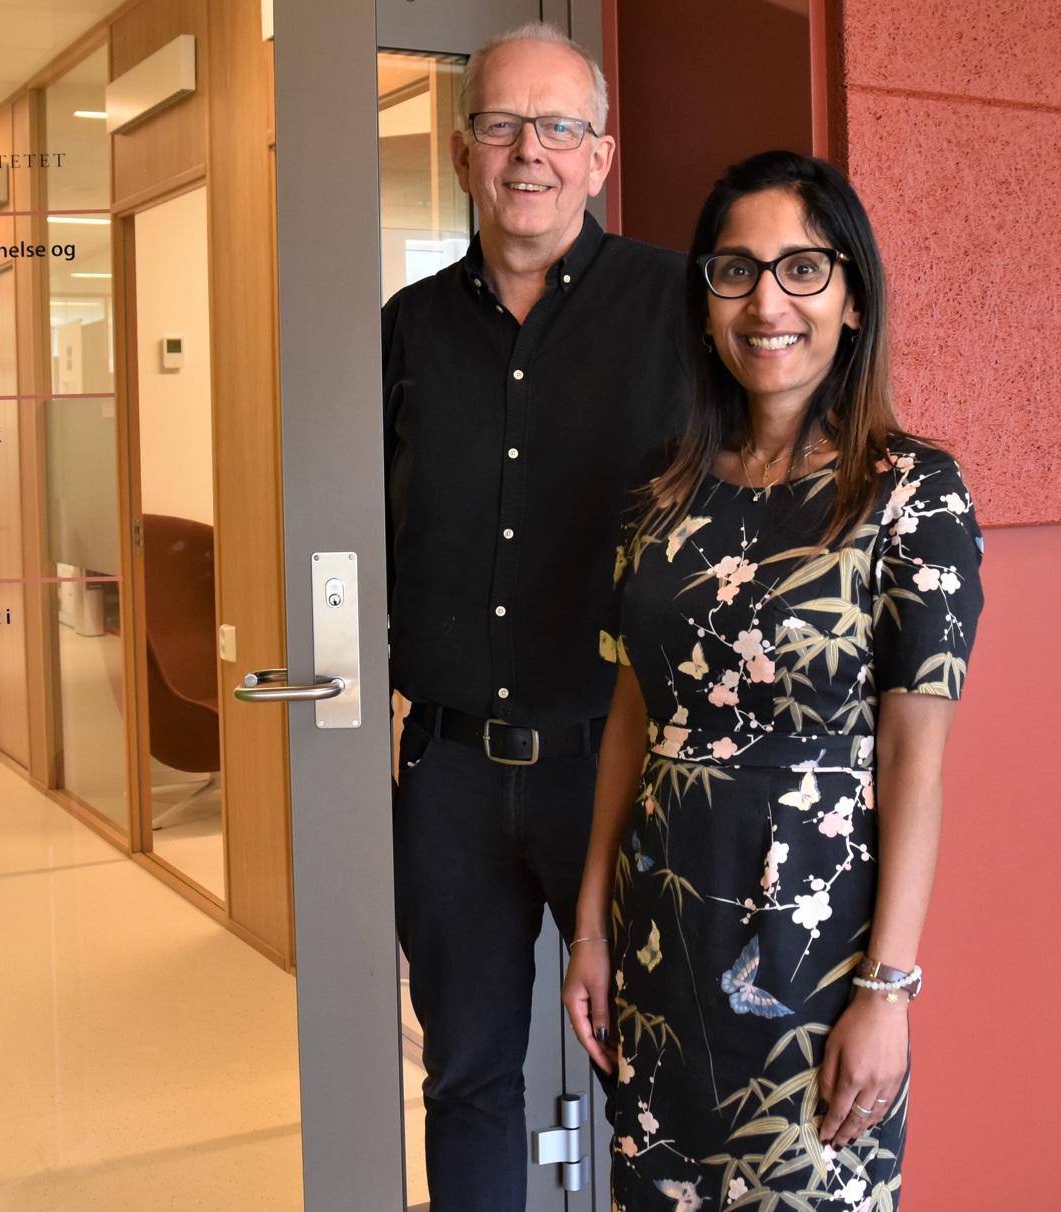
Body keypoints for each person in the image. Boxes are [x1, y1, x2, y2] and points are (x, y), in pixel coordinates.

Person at [561, 150, 985, 1208]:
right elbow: (629, 717)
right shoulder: (659, 494)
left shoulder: (912, 494)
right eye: (735, 270)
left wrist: (888, 991)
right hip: (662, 924)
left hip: (813, 943)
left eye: (803, 269)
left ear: (851, 298)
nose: (766, 301)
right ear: (705, 304)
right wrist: (590, 929)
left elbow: (912, 762)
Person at [381, 21, 689, 1211]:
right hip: (451, 772)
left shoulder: (677, 307)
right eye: (503, 125)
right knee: (466, 1080)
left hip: (617, 762)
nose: (530, 153)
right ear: (463, 154)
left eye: (558, 127)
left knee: (651, 1077)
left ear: (600, 157)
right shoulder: (406, 332)